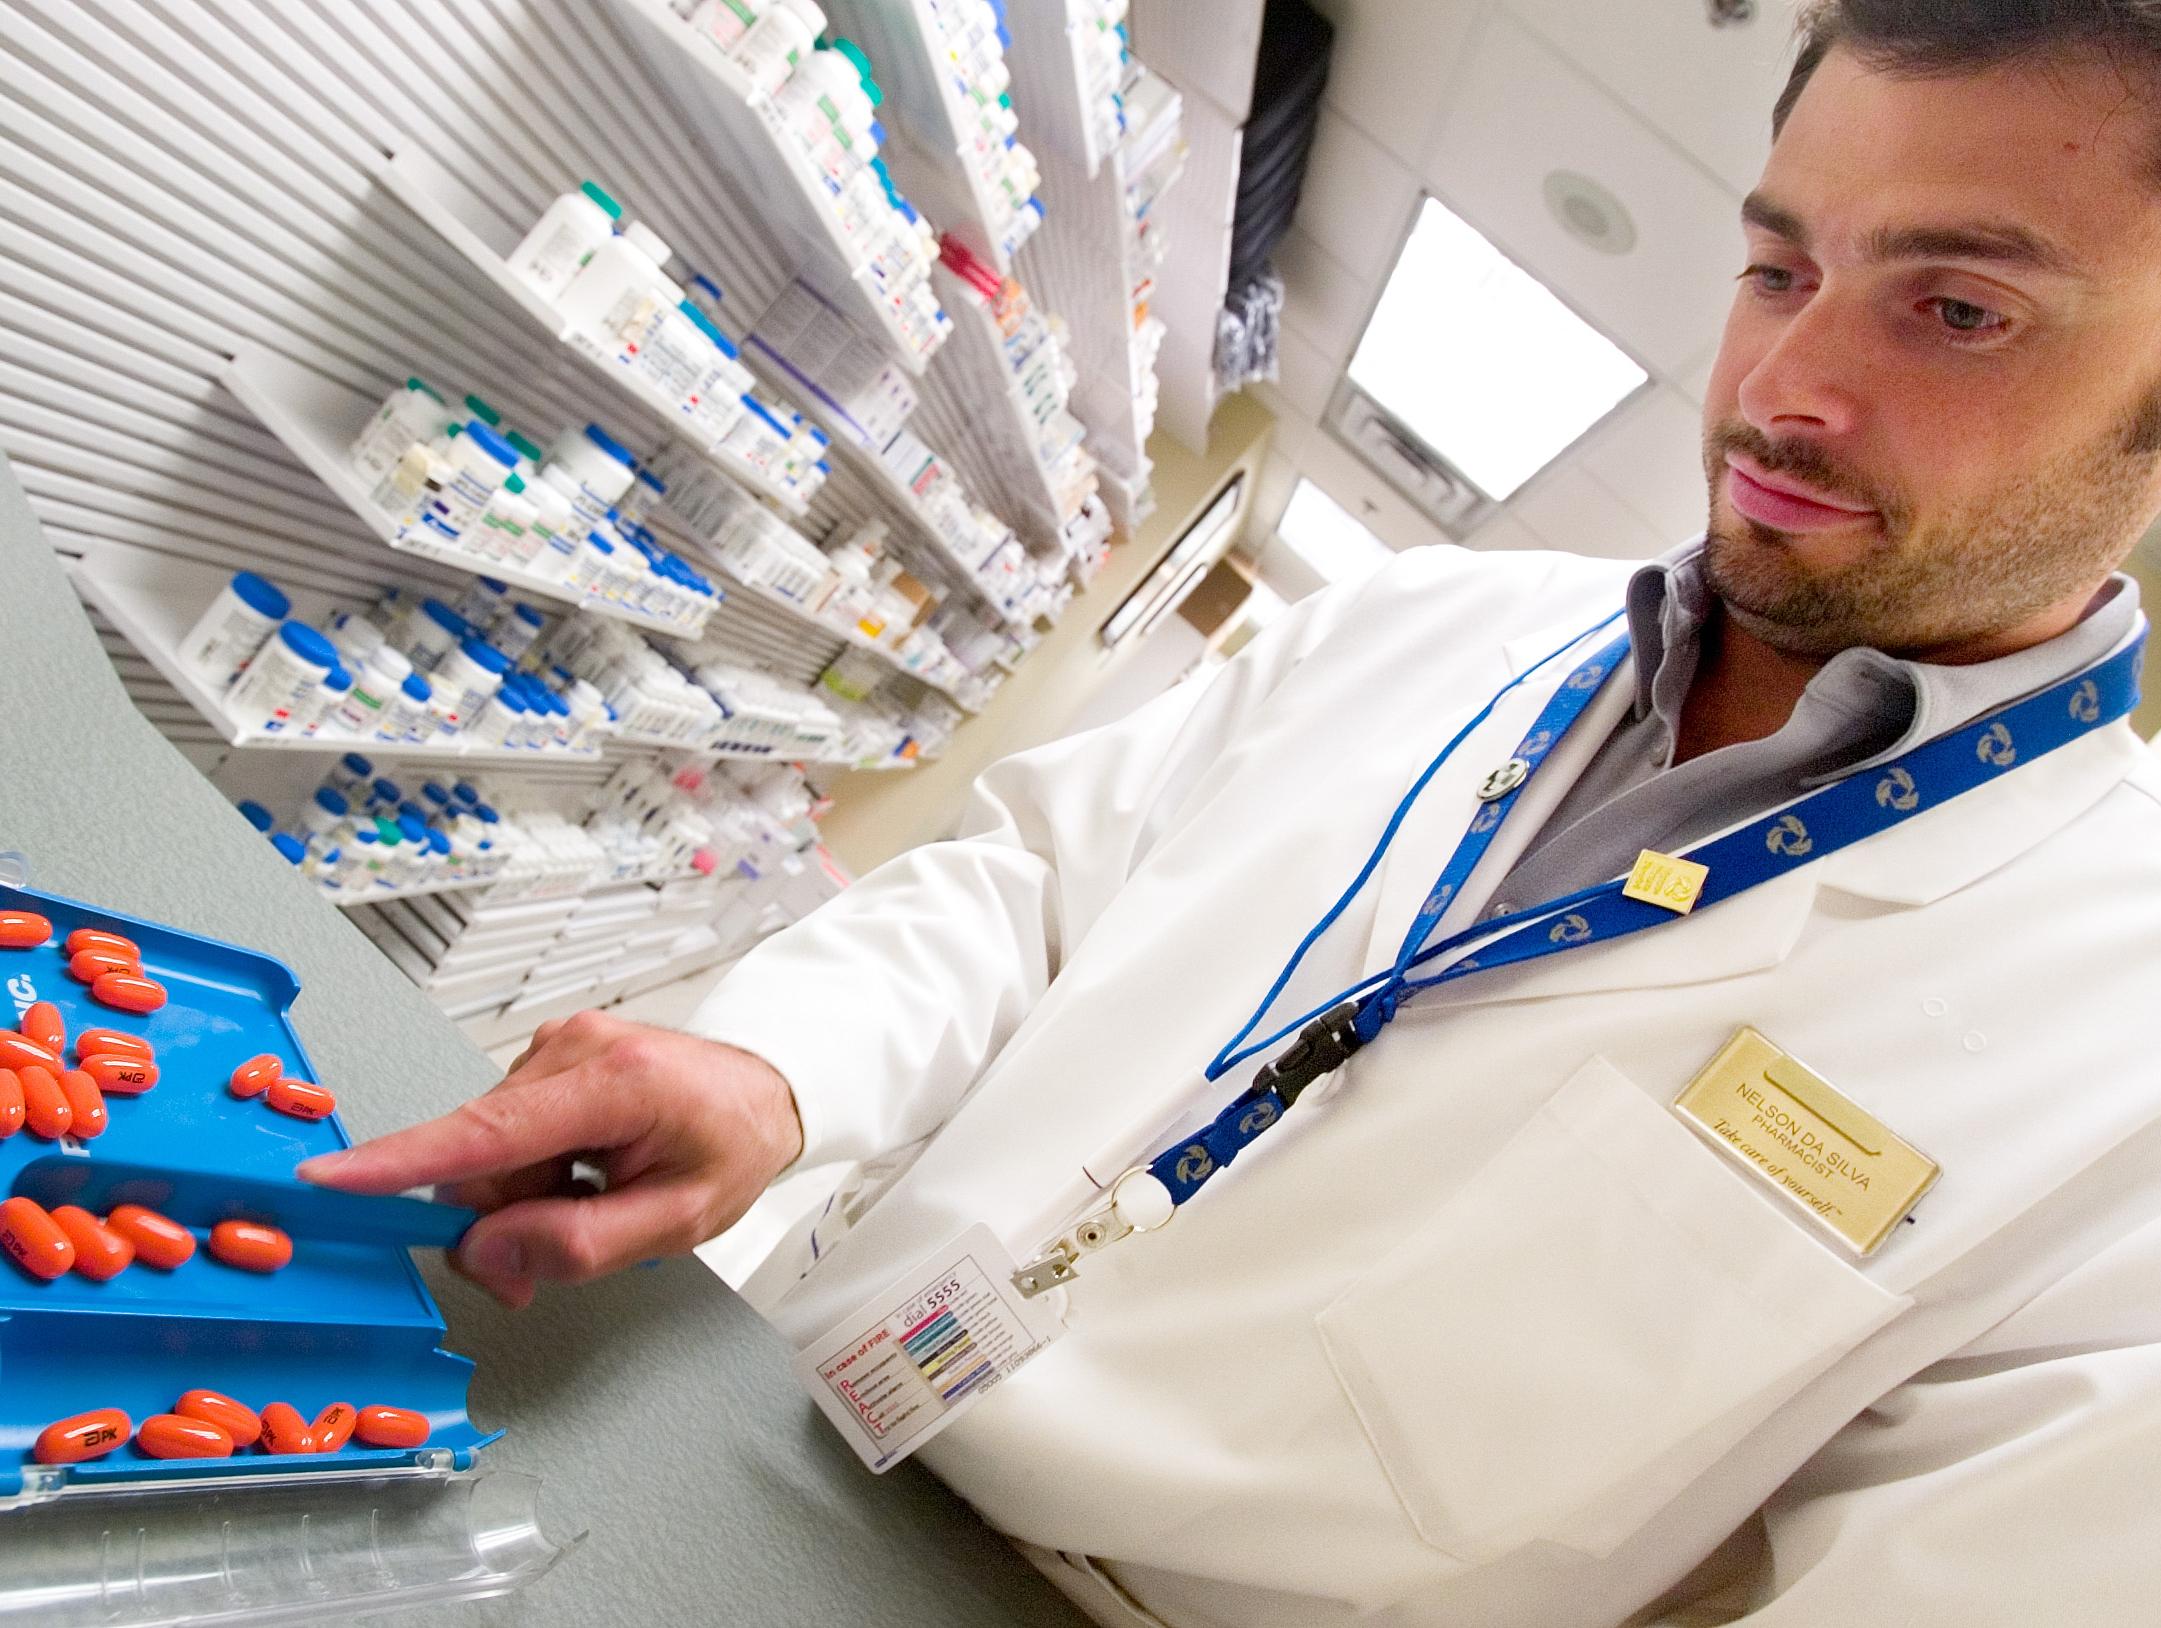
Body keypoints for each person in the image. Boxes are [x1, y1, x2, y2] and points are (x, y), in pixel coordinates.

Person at [303, 2, 2161, 1622]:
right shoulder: (1438, 617)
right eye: (1777, 267)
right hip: (767, 1401)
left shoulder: (2124, 1059)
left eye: (1959, 308)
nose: (1784, 386)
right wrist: (774, 1074)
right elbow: (1036, 889)